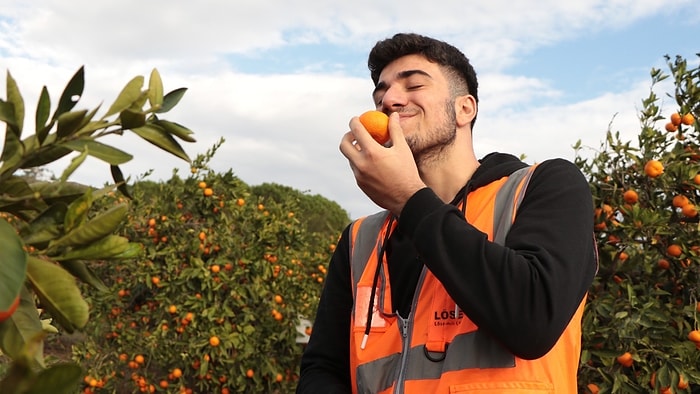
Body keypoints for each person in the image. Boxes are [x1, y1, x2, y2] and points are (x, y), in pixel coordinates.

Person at [296, 32, 597, 394]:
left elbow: (533, 320)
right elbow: (323, 368)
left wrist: (410, 200)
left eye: (413, 84)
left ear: (464, 108)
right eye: (381, 93)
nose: (389, 99)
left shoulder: (544, 186)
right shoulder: (360, 240)